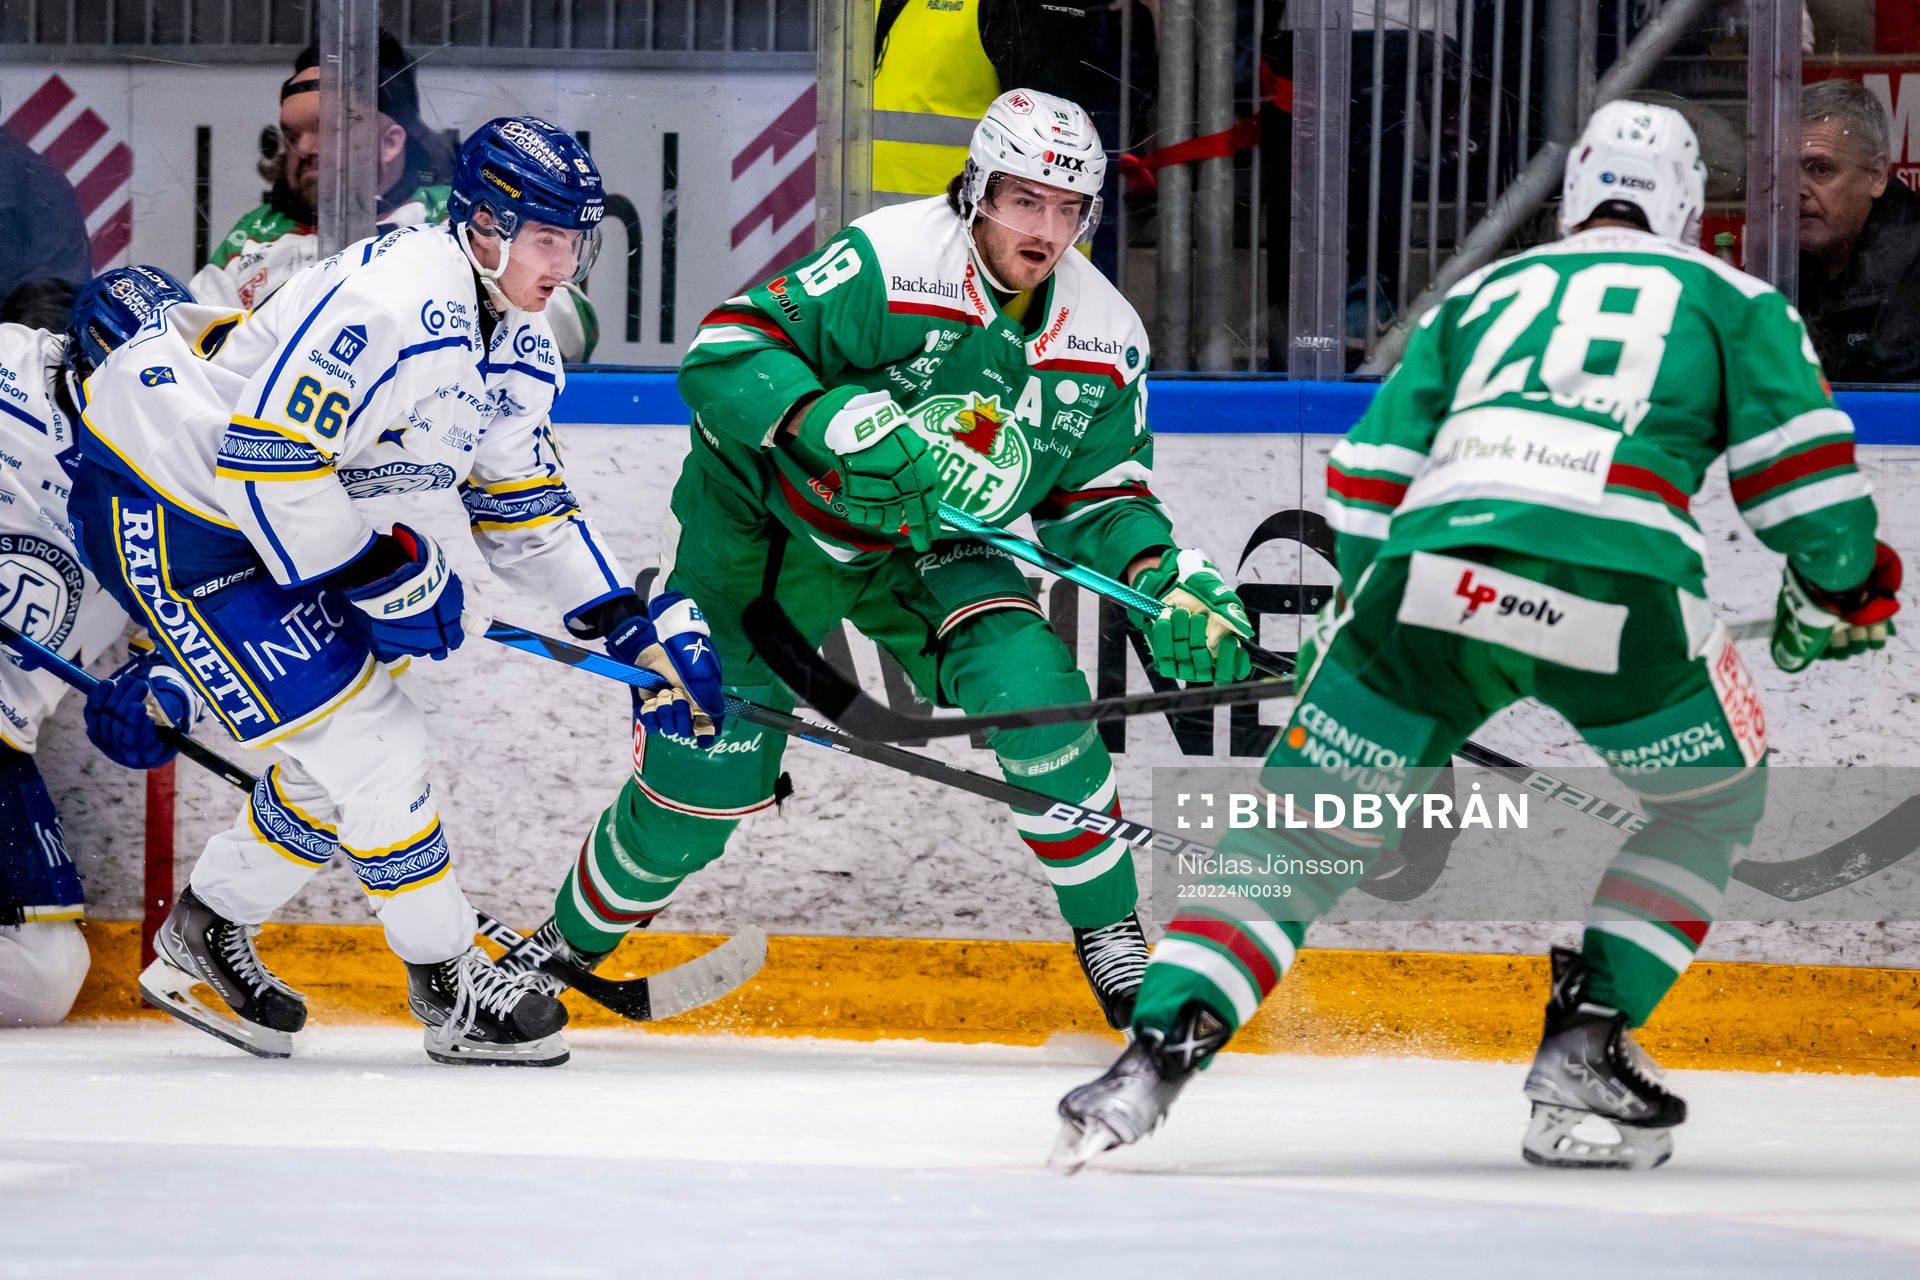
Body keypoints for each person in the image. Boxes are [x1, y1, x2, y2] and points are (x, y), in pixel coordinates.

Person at [1055, 101, 1900, 1170]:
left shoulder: (1483, 292)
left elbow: (1363, 483)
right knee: (1709, 806)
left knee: (1297, 835)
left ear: (1577, 193)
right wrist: (1838, 591)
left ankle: (1150, 1060)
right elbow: (1810, 492)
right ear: (1686, 206)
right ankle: (1588, 1037)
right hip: (1618, 588)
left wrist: (1356, 641)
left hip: (1424, 581)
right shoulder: (1731, 295)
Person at [499, 88, 1255, 1033]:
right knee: (708, 782)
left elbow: (1101, 496)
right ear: (978, 190)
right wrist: (825, 420)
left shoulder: (1106, 338)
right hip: (766, 537)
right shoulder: (889, 261)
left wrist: (1162, 578)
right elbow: (725, 351)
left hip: (936, 545)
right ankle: (561, 946)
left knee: (1038, 693)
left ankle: (1112, 933)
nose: (1046, 229)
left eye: (1069, 209)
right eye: (1025, 200)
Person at [68, 117, 723, 1066]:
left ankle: (205, 930)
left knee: (335, 754)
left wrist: (629, 626)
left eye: (576, 244)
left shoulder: (520, 341)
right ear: (488, 226)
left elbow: (525, 509)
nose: (564, 266)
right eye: (548, 240)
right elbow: (267, 461)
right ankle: (449, 978)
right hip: (175, 512)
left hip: (275, 526)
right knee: (374, 743)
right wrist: (385, 573)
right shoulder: (396, 302)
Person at [0, 273, 204, 1027]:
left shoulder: (187, 473)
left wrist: (157, 696)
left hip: (4, 736)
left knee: (41, 980)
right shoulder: (9, 363)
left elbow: (183, 644)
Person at [189, 30, 599, 362]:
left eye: (329, 130)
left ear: (390, 142)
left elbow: (571, 334)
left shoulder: (458, 214)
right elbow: (196, 352)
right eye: (294, 134)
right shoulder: (254, 235)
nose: (306, 148)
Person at [1796, 77, 1920, 384]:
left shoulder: (1913, 266)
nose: (1796, 189)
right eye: (1783, 170)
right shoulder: (1782, 254)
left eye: (1821, 169)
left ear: (1876, 176)